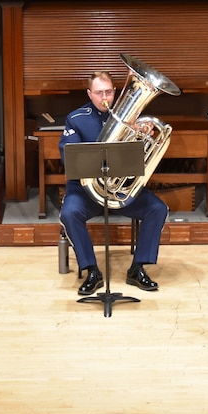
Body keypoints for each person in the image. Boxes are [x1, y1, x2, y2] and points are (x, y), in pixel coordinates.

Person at [59, 70, 169, 295]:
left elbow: (140, 162)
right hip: (86, 192)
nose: (104, 97)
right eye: (99, 93)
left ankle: (137, 269)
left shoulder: (133, 118)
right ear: (90, 94)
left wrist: (142, 138)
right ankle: (91, 271)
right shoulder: (76, 118)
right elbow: (68, 156)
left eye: (108, 91)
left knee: (157, 209)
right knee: (69, 214)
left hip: (120, 192)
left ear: (115, 91)